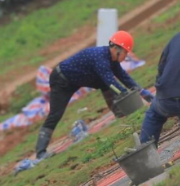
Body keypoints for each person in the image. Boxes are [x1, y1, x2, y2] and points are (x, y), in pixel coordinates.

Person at [35, 30, 153, 159]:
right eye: (125, 53)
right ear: (116, 49)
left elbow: (124, 77)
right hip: (62, 80)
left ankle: (120, 114)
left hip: (81, 77)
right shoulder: (100, 58)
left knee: (105, 84)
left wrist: (143, 92)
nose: (126, 57)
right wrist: (130, 97)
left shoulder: (112, 60)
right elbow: (112, 83)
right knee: (56, 114)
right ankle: (41, 152)